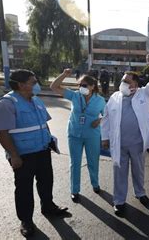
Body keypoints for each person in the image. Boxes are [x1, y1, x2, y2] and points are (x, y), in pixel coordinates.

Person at [0, 70, 69, 237]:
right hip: (23, 155)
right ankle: (26, 220)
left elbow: (43, 124)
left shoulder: (36, 100)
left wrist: (49, 141)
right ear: (21, 85)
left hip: (42, 150)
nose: (37, 84)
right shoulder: (7, 104)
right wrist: (13, 155)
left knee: (46, 181)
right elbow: (1, 132)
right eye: (33, 82)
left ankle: (48, 207)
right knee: (24, 189)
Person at [101, 54, 149, 216]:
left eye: (127, 81)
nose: (123, 84)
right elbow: (105, 119)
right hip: (119, 143)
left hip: (138, 142)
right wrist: (105, 137)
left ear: (135, 84)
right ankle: (119, 201)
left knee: (138, 170)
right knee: (119, 172)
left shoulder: (144, 94)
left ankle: (140, 192)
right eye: (123, 80)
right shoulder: (115, 97)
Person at [50, 69, 106, 202]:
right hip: (74, 133)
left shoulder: (100, 100)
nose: (81, 88)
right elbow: (53, 87)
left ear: (93, 86)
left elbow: (107, 115)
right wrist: (64, 74)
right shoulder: (74, 96)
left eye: (85, 85)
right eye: (80, 85)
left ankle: (95, 184)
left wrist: (99, 120)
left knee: (93, 161)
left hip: (92, 134)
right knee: (75, 163)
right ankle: (74, 190)